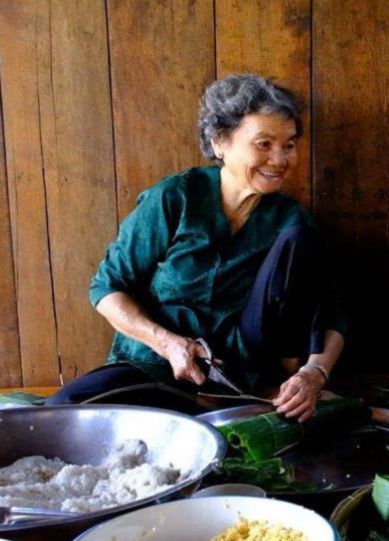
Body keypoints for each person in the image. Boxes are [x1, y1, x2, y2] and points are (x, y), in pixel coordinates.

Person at [48, 74, 346, 422]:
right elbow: (107, 289)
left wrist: (313, 373)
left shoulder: (290, 220)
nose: (280, 159)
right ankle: (212, 411)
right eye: (264, 144)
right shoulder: (175, 198)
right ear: (220, 142)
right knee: (67, 408)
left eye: (289, 145)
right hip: (160, 366)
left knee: (298, 241)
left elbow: (333, 315)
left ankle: (257, 398)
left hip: (242, 372)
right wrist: (169, 344)